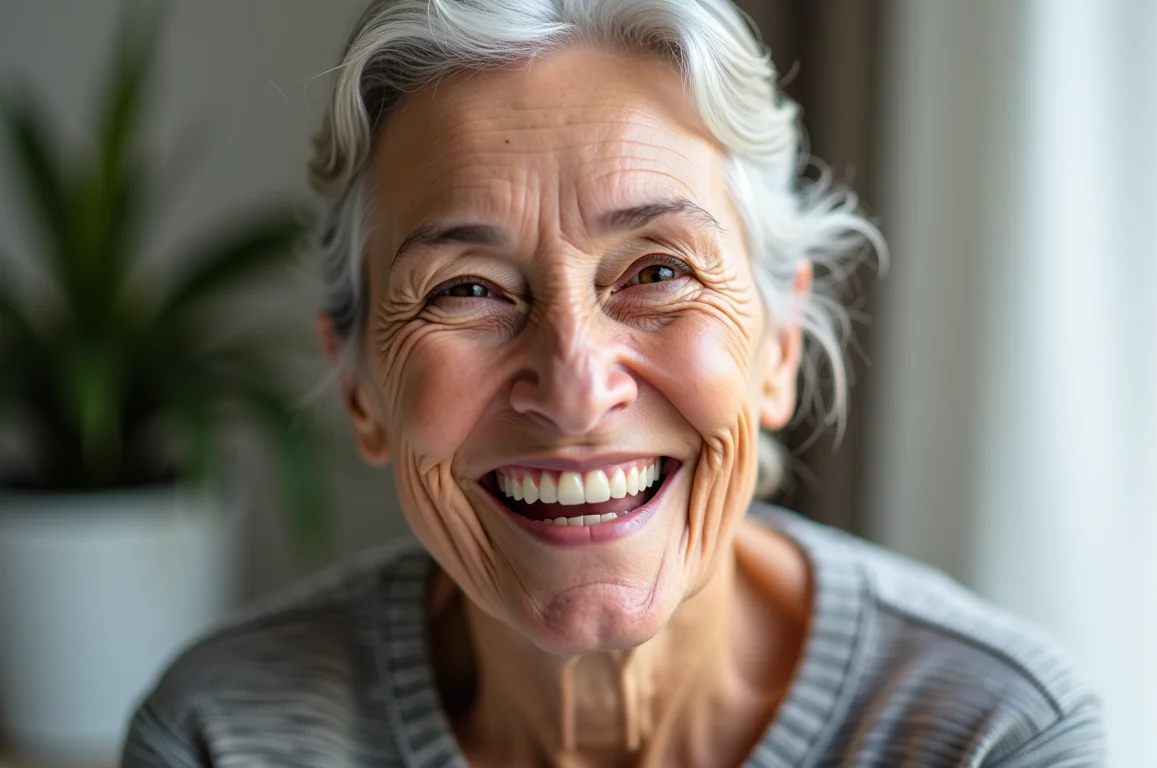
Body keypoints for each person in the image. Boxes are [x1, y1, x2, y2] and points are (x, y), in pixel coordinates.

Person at [123, 1, 1106, 765]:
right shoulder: (221, 737)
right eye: (466, 289)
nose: (575, 385)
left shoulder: (992, 736)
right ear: (357, 388)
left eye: (657, 272)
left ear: (778, 346)